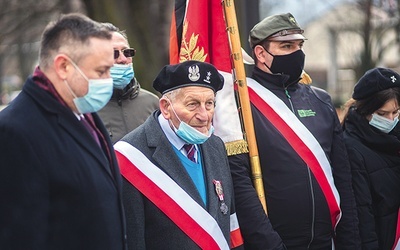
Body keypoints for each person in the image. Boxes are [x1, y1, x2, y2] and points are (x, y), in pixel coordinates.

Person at [227, 13, 360, 249]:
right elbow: (239, 182)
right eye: (286, 46)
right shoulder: (241, 105)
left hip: (325, 239)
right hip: (275, 242)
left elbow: (342, 175)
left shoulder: (321, 100)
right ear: (260, 53)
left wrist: (349, 240)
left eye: (299, 45)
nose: (297, 53)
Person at [0, 13, 127, 249]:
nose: (109, 80)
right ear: (64, 66)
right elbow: (18, 236)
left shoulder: (83, 111)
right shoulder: (14, 131)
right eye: (101, 71)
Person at [114, 60, 243, 249]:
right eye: (193, 104)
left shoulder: (215, 145)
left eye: (209, 104)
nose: (204, 115)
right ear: (166, 107)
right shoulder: (131, 156)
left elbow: (229, 222)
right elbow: (132, 239)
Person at [340, 67, 400, 250]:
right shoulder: (352, 149)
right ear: (364, 110)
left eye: (396, 112)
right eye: (382, 114)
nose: (390, 120)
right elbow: (362, 217)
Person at [98, 22, 159, 144]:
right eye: (113, 53)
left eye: (126, 52)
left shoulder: (153, 103)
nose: (123, 59)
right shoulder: (85, 107)